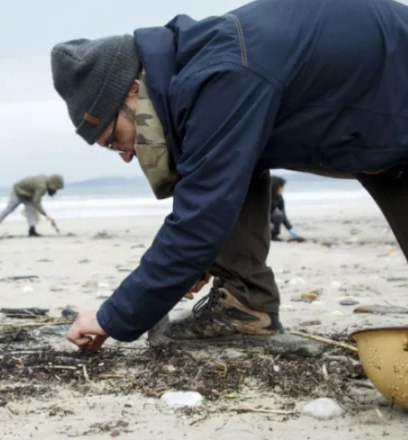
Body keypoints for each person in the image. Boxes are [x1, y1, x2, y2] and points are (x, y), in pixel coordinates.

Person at [50, 0, 408, 352]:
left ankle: (245, 305)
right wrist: (202, 260)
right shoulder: (199, 68)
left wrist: (111, 317)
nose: (126, 156)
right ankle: (244, 306)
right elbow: (221, 173)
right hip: (376, 125)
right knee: (233, 164)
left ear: (131, 91)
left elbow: (200, 219)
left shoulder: (221, 74)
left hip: (392, 91)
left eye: (114, 141)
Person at [0, 174, 64, 237]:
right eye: (56, 189)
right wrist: (45, 214)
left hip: (28, 194)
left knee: (31, 210)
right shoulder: (42, 186)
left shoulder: (45, 181)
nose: (55, 191)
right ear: (53, 184)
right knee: (9, 209)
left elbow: (35, 199)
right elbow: (36, 201)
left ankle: (32, 230)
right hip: (17, 191)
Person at [270, 176, 302, 242]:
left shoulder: (279, 197)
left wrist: (290, 228)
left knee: (279, 214)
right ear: (275, 187)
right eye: (281, 187)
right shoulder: (264, 196)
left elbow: (283, 213)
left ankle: (274, 235)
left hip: (270, 217)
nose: (283, 189)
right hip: (260, 219)